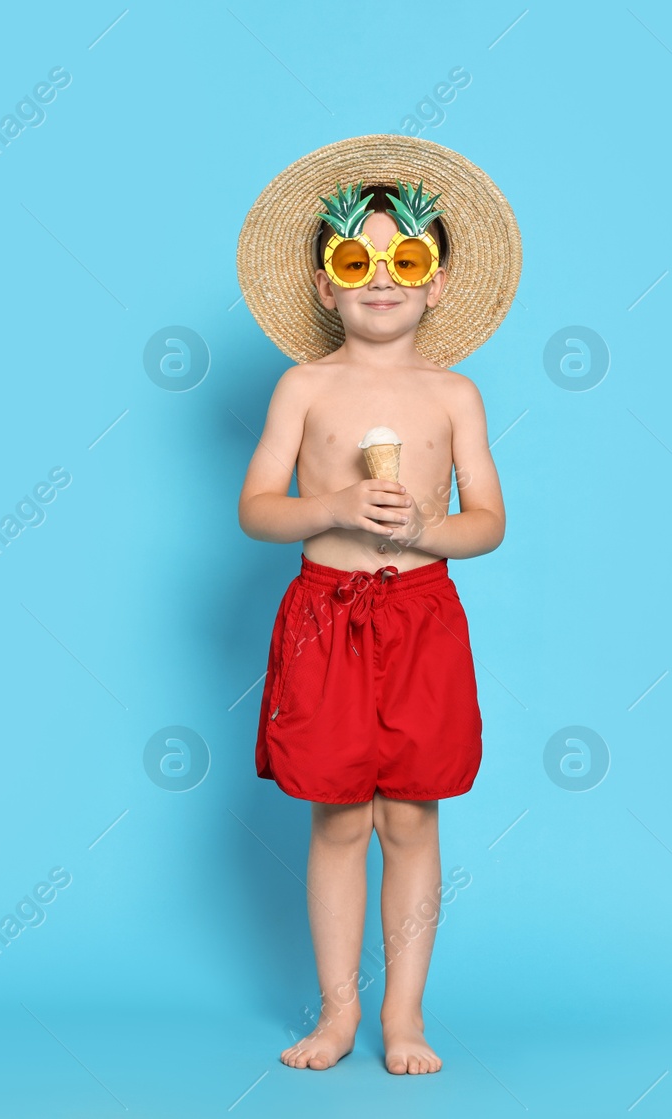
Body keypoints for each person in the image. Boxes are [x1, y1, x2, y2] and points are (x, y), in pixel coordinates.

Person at [235, 134, 520, 1075]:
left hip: (421, 614)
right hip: (324, 616)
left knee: (411, 818)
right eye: (357, 260)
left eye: (408, 260)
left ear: (437, 282)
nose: (382, 279)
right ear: (326, 284)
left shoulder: (454, 395)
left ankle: (405, 1015)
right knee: (338, 818)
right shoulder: (304, 386)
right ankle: (340, 1011)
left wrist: (424, 531)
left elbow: (489, 522)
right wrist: (336, 508)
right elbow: (257, 510)